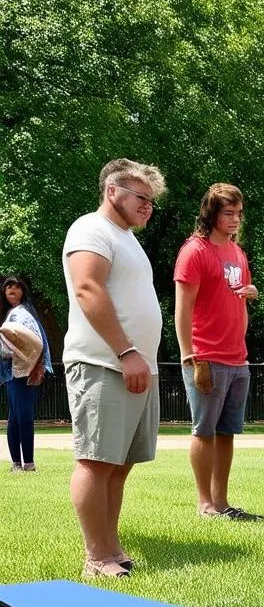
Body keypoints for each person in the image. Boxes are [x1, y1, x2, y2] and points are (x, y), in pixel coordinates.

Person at [61, 158, 167, 578]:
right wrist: (126, 352)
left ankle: (111, 546)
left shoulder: (126, 238)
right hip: (104, 362)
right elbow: (88, 288)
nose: (148, 207)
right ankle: (95, 557)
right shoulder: (91, 229)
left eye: (152, 201)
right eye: (142, 198)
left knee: (120, 462)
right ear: (112, 191)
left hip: (135, 366)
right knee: (96, 460)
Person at [174, 183, 264, 521]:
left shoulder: (238, 253)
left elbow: (237, 298)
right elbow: (182, 310)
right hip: (205, 356)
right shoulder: (194, 251)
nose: (236, 219)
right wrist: (189, 356)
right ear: (211, 215)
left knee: (227, 432)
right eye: (229, 213)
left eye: (239, 213)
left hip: (237, 358)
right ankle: (205, 504)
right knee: (204, 431)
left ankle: (222, 502)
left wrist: (250, 292)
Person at [0, 273, 53, 472]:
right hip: (13, 373)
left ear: (23, 291)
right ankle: (17, 464)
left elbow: (36, 342)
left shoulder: (23, 313)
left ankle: (28, 463)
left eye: (17, 287)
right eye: (8, 287)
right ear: (3, 293)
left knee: (23, 417)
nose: (12, 290)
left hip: (24, 372)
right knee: (15, 418)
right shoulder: (12, 314)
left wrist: (36, 365)